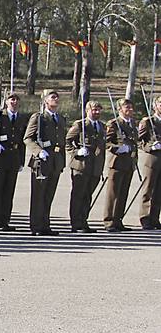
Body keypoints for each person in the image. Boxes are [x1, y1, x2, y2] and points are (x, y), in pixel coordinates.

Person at [25, 90, 66, 236]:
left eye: (57, 97)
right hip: (41, 161)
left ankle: (45, 224)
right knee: (38, 195)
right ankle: (36, 226)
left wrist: (62, 162)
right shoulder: (39, 117)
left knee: (49, 195)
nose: (56, 99)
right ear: (45, 101)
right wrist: (38, 151)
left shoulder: (60, 119)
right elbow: (28, 138)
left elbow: (61, 142)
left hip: (55, 161)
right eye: (52, 97)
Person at [66, 101, 106, 233]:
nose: (97, 112)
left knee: (88, 195)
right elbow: (67, 141)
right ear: (87, 110)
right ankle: (75, 223)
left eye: (99, 110)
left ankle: (83, 221)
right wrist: (76, 151)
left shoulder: (102, 126)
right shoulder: (80, 125)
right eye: (94, 110)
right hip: (81, 165)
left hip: (95, 167)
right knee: (78, 194)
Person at [0, 93, 27, 231]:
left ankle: (5, 221)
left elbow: (22, 140)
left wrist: (21, 160)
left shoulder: (21, 118)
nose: (14, 102)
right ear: (6, 102)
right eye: (12, 99)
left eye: (17, 100)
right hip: (0, 157)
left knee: (9, 191)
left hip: (14, 158)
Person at [102, 98, 139, 232]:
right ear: (119, 109)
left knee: (123, 193)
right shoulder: (114, 124)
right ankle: (109, 221)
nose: (129, 110)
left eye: (130, 107)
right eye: (126, 107)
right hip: (117, 162)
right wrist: (117, 148)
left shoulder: (132, 123)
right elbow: (106, 142)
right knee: (113, 193)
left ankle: (118, 220)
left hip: (129, 162)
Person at [138, 95, 161, 229]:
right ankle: (145, 217)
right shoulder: (148, 121)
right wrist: (150, 146)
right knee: (148, 189)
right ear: (155, 106)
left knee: (159, 191)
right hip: (152, 158)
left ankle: (154, 217)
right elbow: (140, 140)